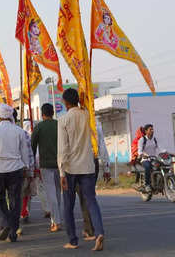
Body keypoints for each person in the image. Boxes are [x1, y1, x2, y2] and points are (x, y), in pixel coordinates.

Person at [58, 88, 105, 251]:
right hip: (87, 165)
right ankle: (98, 232)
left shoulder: (63, 120)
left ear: (65, 102)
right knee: (91, 201)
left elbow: (63, 148)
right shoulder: (86, 115)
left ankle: (73, 240)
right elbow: (86, 106)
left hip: (71, 167)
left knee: (68, 206)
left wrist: (61, 172)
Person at [0, 103, 32, 243]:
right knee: (15, 201)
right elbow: (24, 153)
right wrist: (26, 168)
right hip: (16, 170)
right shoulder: (19, 131)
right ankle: (13, 232)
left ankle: (4, 222)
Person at [31, 103, 62, 232]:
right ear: (53, 112)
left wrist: (32, 164)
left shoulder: (39, 127)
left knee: (51, 194)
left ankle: (56, 221)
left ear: (42, 114)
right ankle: (56, 219)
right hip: (61, 164)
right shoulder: (59, 125)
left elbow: (31, 147)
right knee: (57, 193)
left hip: (46, 165)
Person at [79, 123, 111, 240]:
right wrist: (106, 168)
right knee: (90, 195)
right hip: (94, 160)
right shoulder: (95, 123)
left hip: (80, 162)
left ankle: (90, 229)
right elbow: (102, 146)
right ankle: (96, 229)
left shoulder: (72, 120)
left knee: (84, 196)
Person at [139, 124, 160, 191]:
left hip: (154, 159)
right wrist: (144, 154)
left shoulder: (154, 139)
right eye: (150, 129)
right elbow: (139, 151)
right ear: (146, 131)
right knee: (148, 166)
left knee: (162, 166)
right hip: (145, 159)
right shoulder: (142, 140)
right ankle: (147, 185)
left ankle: (159, 183)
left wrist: (166, 152)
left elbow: (159, 148)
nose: (152, 131)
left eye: (152, 129)